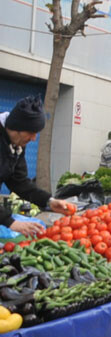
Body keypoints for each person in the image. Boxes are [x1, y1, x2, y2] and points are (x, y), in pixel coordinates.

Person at [0, 97, 77, 236]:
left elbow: (19, 181)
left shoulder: (16, 144)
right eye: (31, 132)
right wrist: (10, 222)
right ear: (17, 127)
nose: (34, 138)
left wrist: (49, 201)